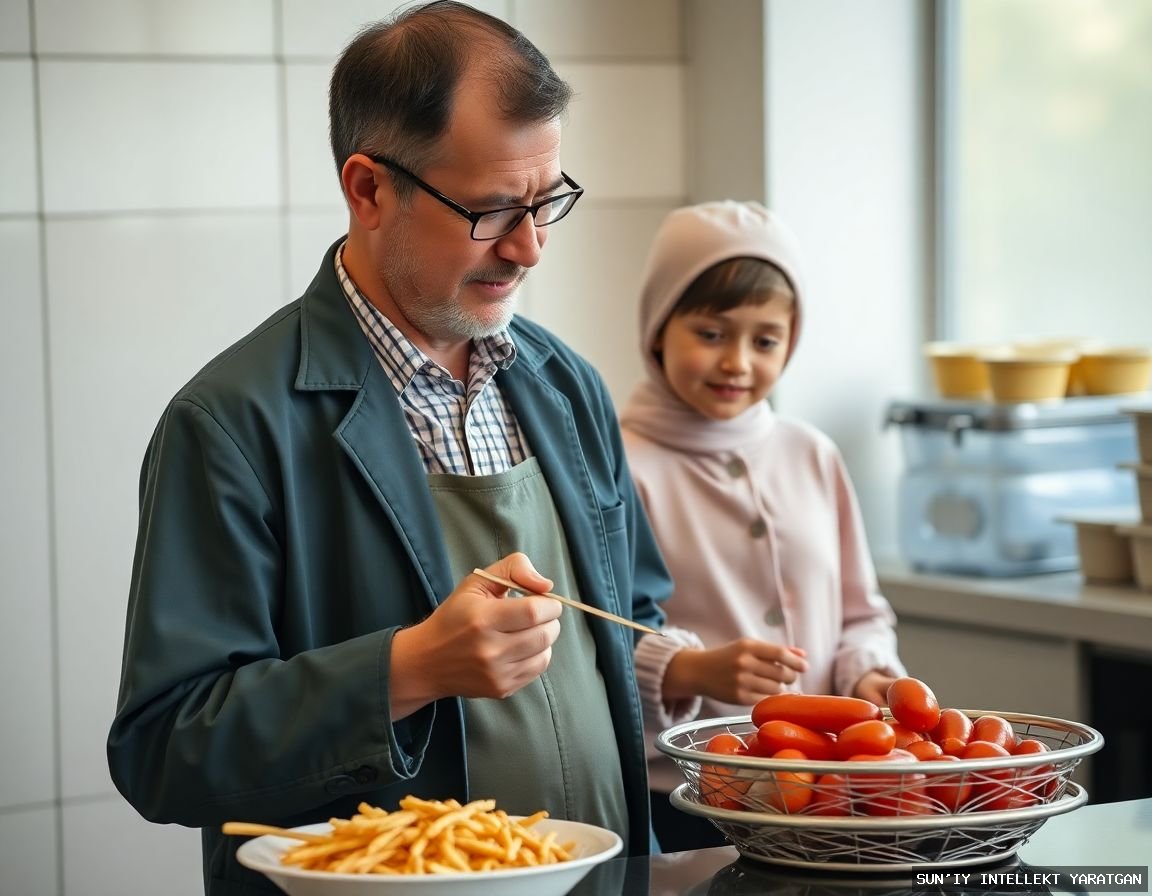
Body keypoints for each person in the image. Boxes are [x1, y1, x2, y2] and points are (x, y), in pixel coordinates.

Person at [106, 4, 707, 892]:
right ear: (369, 188)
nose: (531, 246)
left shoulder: (566, 386)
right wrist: (406, 669)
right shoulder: (232, 423)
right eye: (495, 209)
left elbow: (630, 621)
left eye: (547, 202)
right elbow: (165, 748)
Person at [619, 200, 906, 852]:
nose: (738, 363)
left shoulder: (813, 453)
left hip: (832, 795)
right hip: (686, 800)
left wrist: (868, 673)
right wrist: (688, 670)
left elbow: (862, 612)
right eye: (711, 334)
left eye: (766, 340)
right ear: (659, 328)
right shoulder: (616, 465)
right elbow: (594, 638)